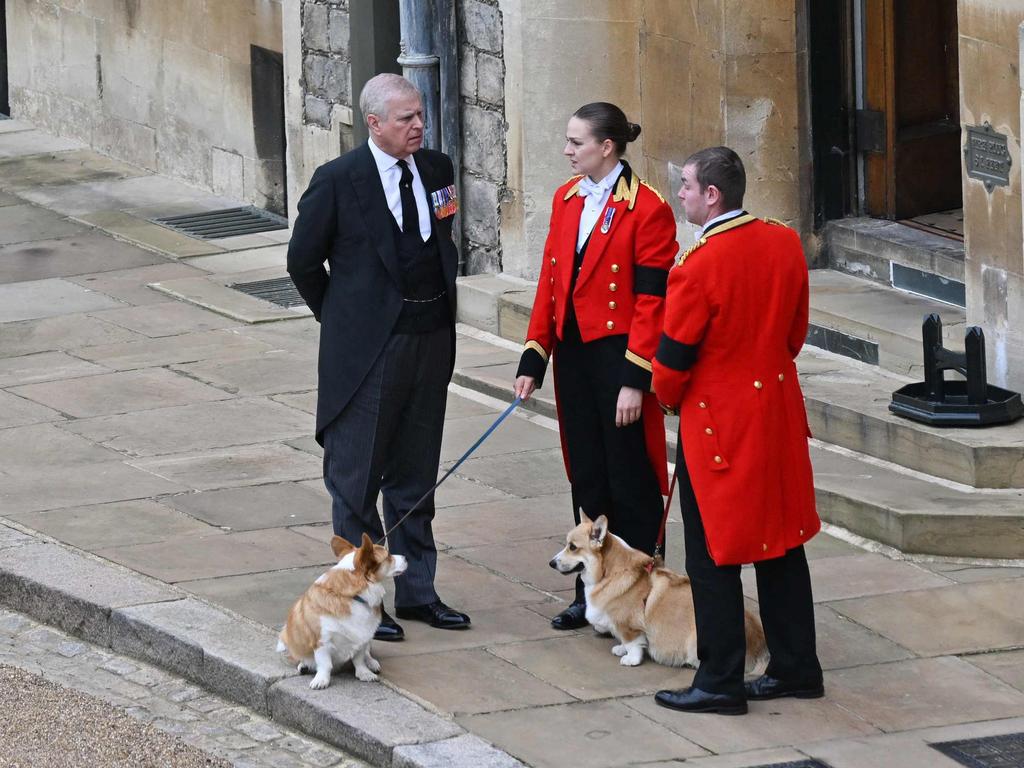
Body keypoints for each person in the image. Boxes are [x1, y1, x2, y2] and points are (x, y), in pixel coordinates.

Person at [287, 73, 470, 642]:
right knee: (358, 478)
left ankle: (417, 592)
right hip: (368, 354)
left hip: (429, 342)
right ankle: (365, 602)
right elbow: (302, 262)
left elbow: (443, 242)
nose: (418, 126)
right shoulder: (338, 181)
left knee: (415, 476)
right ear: (373, 123)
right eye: (405, 119)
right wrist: (345, 323)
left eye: (420, 115)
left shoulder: (437, 170)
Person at [651, 147, 823, 715]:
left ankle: (720, 680)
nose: (680, 194)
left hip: (720, 428)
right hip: (775, 415)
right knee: (781, 545)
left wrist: (671, 398)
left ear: (713, 196)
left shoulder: (696, 266)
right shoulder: (783, 242)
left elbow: (670, 369)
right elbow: (794, 333)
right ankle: (797, 666)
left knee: (712, 558)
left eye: (686, 186)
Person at [514, 102, 677, 630]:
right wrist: (534, 354)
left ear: (606, 147)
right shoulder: (566, 199)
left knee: (628, 478)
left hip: (619, 357)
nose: (566, 151)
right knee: (585, 474)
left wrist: (636, 380)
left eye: (576, 142)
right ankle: (593, 591)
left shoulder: (648, 208)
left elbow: (653, 302)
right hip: (576, 358)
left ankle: (647, 593)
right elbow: (551, 282)